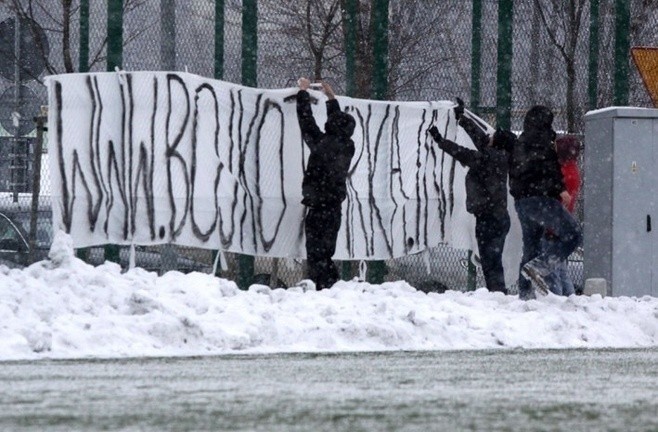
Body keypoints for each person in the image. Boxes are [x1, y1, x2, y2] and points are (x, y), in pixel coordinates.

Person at [428, 98, 517, 294]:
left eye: (493, 136)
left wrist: (440, 140)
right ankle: (498, 294)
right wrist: (462, 118)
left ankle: (497, 295)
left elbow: (463, 153)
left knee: (489, 262)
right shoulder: (500, 157)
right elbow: (481, 139)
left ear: (497, 143)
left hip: (488, 218)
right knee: (493, 261)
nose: (489, 137)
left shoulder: (487, 159)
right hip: (499, 217)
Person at [509, 105, 582, 299]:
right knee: (573, 234)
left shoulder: (520, 141)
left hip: (522, 202)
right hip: (542, 200)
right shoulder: (543, 141)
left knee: (531, 246)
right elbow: (547, 168)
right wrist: (560, 188)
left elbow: (520, 170)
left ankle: (525, 295)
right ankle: (539, 267)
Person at [296, 77, 356, 290]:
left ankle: (324, 287)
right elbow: (337, 125)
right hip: (334, 208)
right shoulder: (348, 146)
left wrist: (303, 92)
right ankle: (330, 287)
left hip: (319, 206)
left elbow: (306, 121)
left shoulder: (321, 144)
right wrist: (331, 99)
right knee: (326, 252)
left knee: (316, 252)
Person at [542, 135, 582, 296]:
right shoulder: (572, 170)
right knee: (561, 268)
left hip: (553, 226)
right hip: (561, 225)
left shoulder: (563, 172)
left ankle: (557, 299)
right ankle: (569, 298)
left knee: (552, 272)